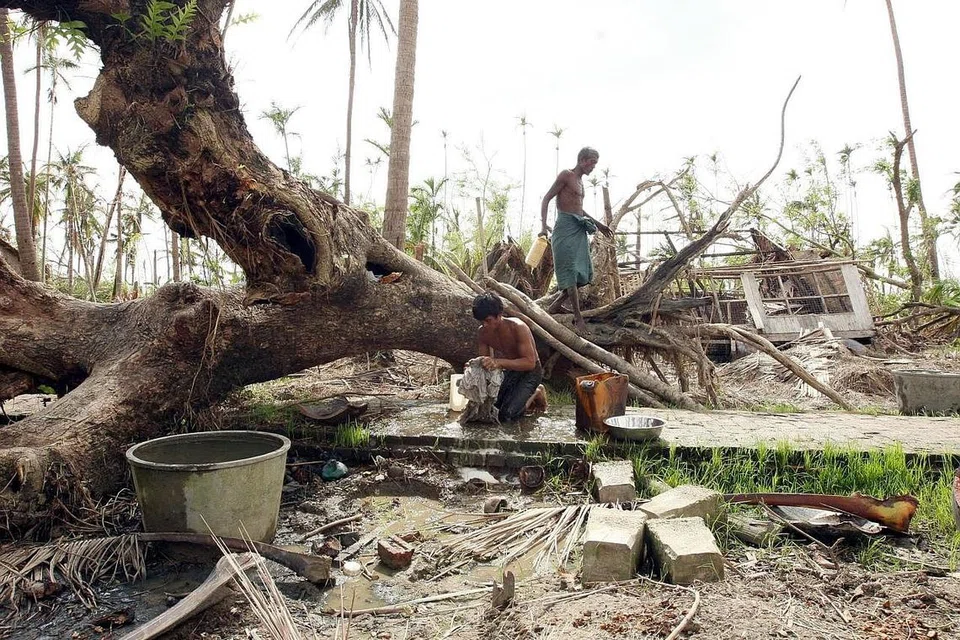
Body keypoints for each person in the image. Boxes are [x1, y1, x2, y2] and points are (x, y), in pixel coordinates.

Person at [540, 147, 614, 334]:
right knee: (571, 273)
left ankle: (555, 305)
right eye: (591, 162)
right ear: (582, 160)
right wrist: (543, 226)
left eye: (595, 163)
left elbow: (579, 210)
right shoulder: (566, 175)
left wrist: (599, 225)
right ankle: (578, 318)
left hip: (578, 228)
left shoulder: (581, 182)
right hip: (564, 229)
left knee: (584, 274)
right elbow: (546, 199)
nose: (593, 166)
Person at [472, 292, 548, 421]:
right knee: (492, 408)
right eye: (481, 321)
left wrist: (498, 362)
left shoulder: (518, 327)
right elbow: (485, 361)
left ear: (499, 315)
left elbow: (530, 363)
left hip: (531, 372)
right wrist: (474, 366)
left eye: (488, 320)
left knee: (508, 415)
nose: (485, 325)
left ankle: (537, 391)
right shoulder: (483, 332)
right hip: (511, 370)